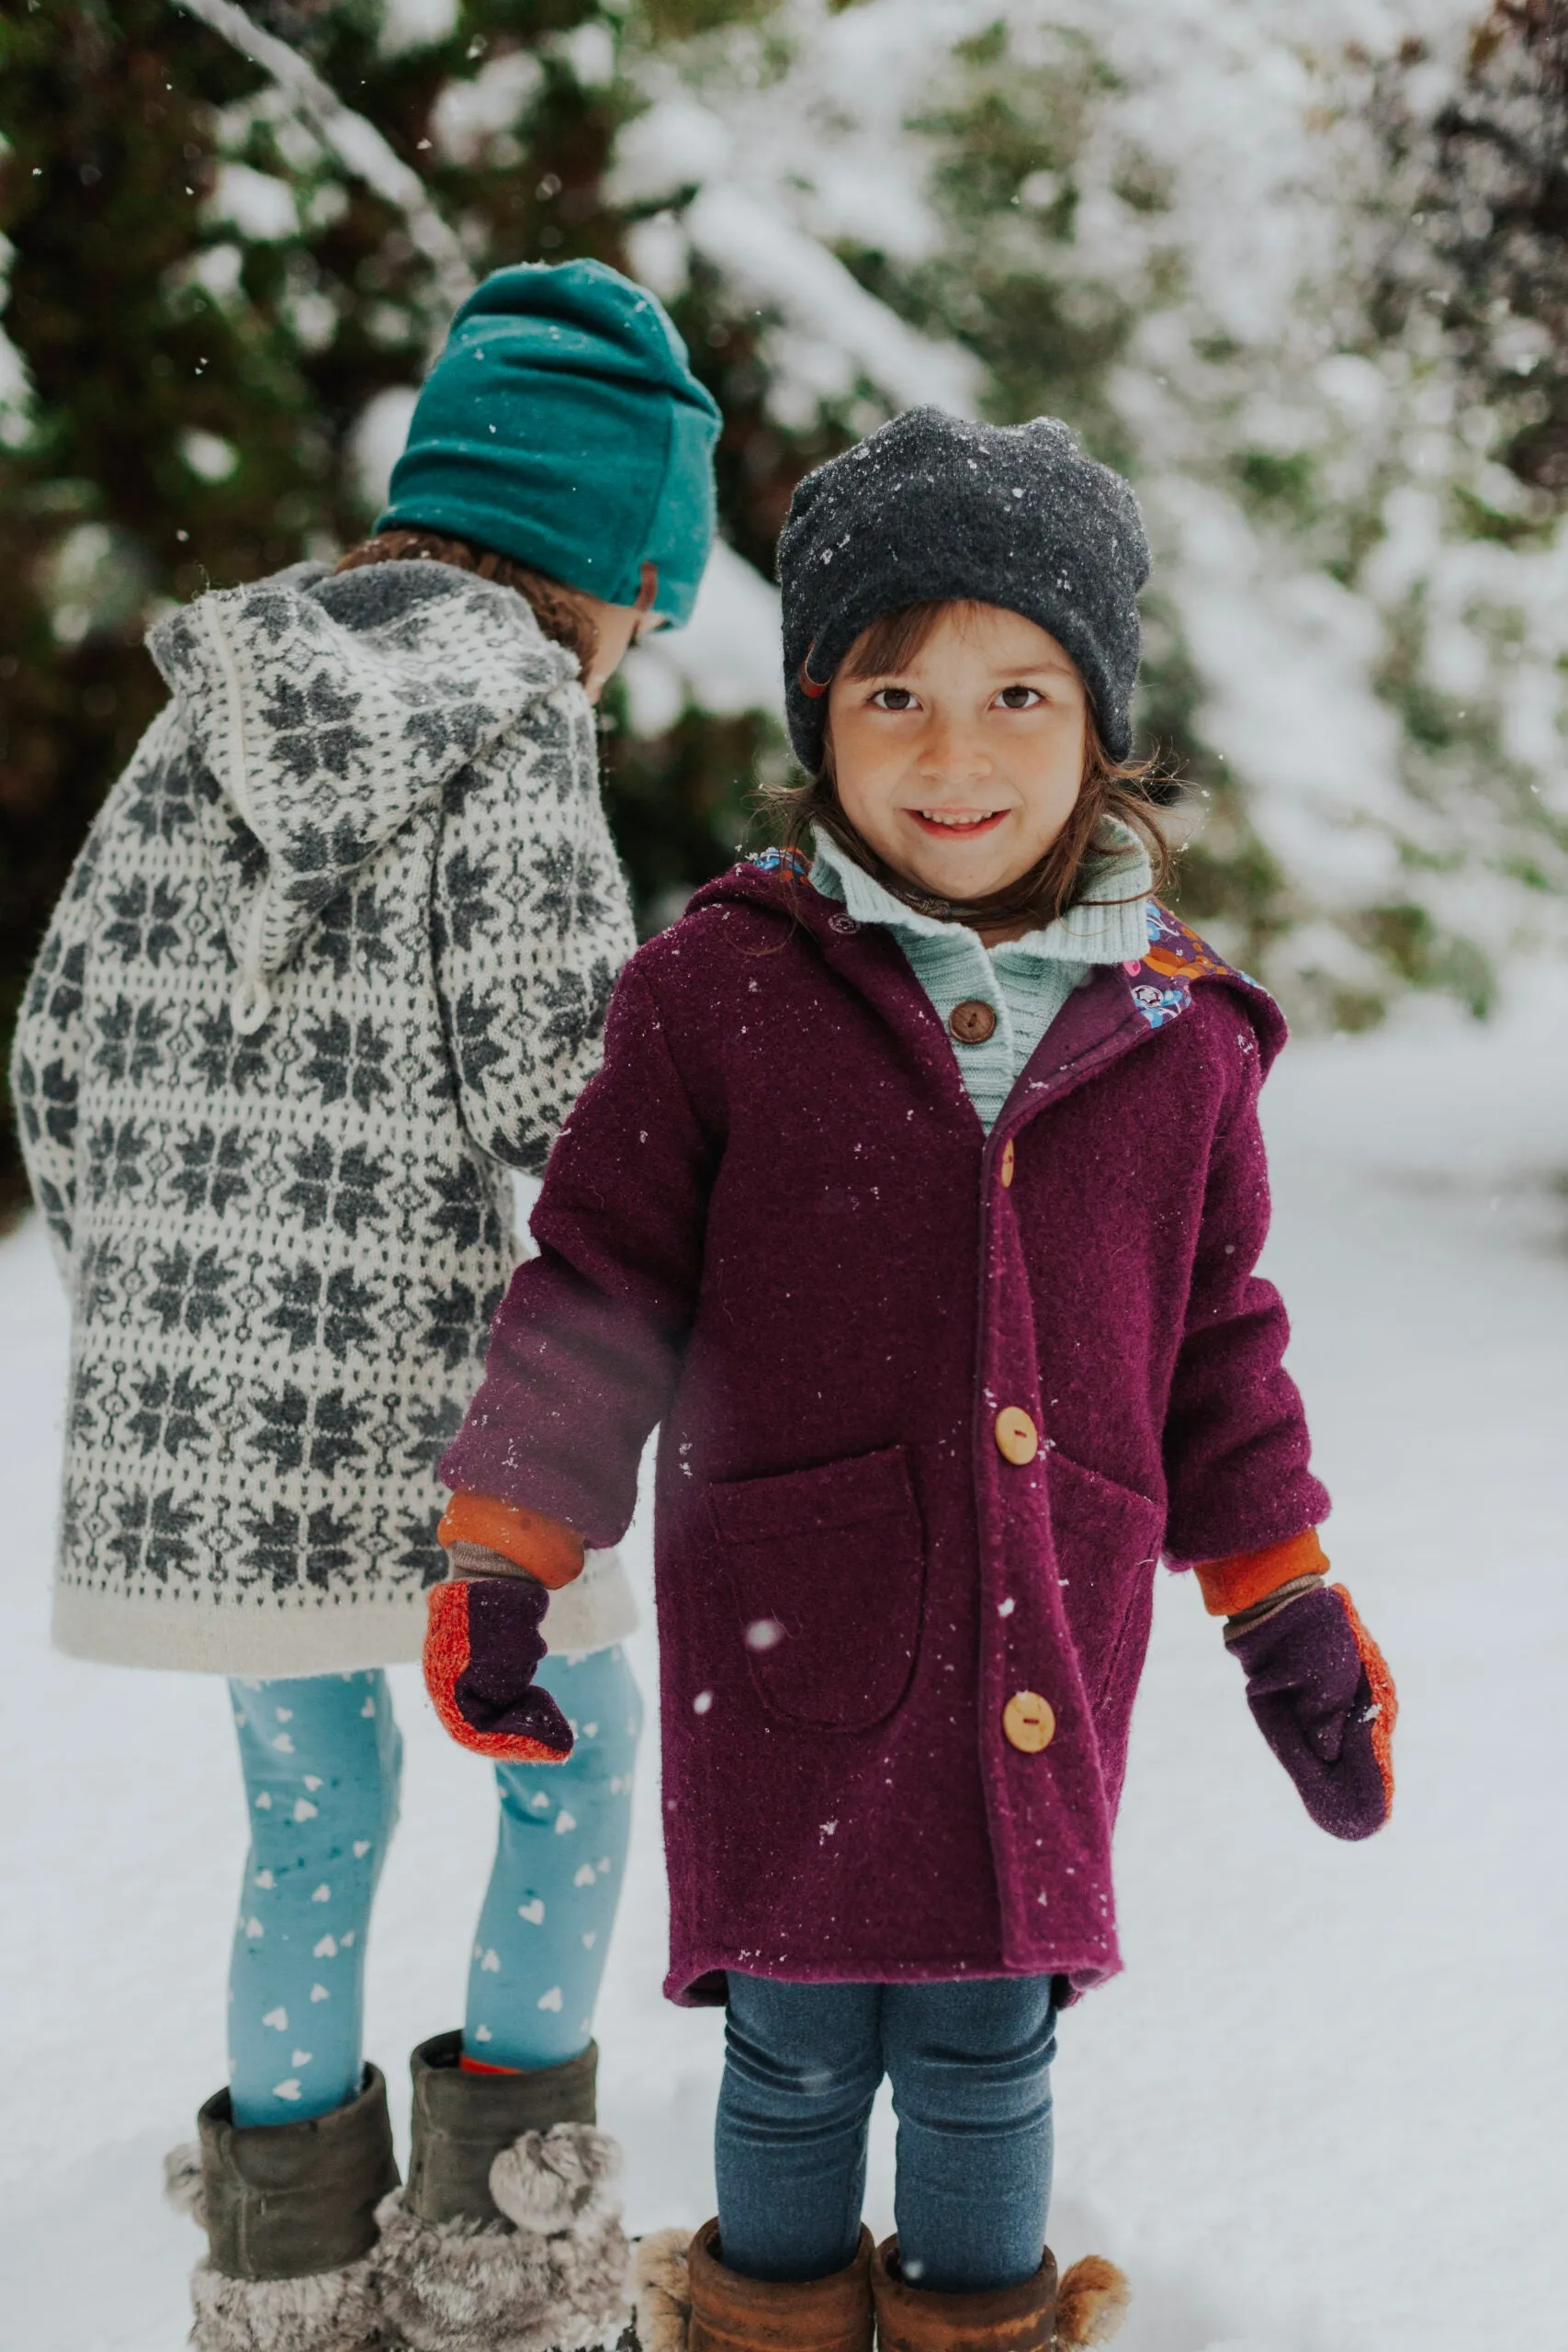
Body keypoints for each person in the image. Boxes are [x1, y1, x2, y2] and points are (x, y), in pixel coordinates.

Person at [424, 406, 1399, 2352]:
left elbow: (1216, 1341)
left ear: (1100, 720)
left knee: (984, 2034)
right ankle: (759, 2324)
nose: (955, 755)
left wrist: (1279, 1594)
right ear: (822, 723)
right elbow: (598, 1280)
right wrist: (506, 1536)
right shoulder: (717, 987)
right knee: (788, 2042)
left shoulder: (1175, 1031)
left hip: (1046, 1614)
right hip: (788, 1619)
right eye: (894, 694)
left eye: (1017, 691)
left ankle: (978, 2323)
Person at [9, 259, 720, 2352]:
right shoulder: (516, 716)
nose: (632, 658)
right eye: (649, 613)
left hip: (199, 1401)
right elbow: (546, 1081)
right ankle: (503, 2243)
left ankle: (286, 2261)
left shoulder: (209, 701)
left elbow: (56, 1047)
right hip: (437, 1385)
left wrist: (159, 1286)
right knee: (566, 1760)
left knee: (309, 1807)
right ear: (604, 567)